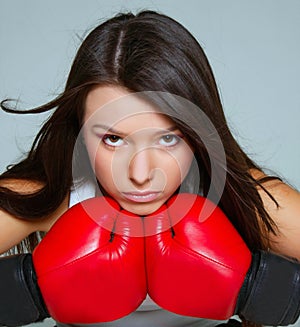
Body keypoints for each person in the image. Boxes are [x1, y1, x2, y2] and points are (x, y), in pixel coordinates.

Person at [0, 9, 300, 327]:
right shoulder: (53, 195)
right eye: (113, 139)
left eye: (168, 138)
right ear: (79, 130)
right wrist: (29, 291)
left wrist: (257, 287)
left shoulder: (239, 199)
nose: (141, 175)